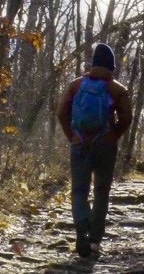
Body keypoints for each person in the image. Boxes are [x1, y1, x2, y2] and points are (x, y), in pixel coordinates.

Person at [55, 43, 134, 258]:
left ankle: (82, 229)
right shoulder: (118, 89)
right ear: (111, 66)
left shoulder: (75, 85)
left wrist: (72, 137)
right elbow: (127, 118)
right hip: (105, 145)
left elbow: (62, 113)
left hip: (80, 144)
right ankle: (95, 241)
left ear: (93, 64)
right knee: (101, 191)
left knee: (79, 190)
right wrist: (113, 135)